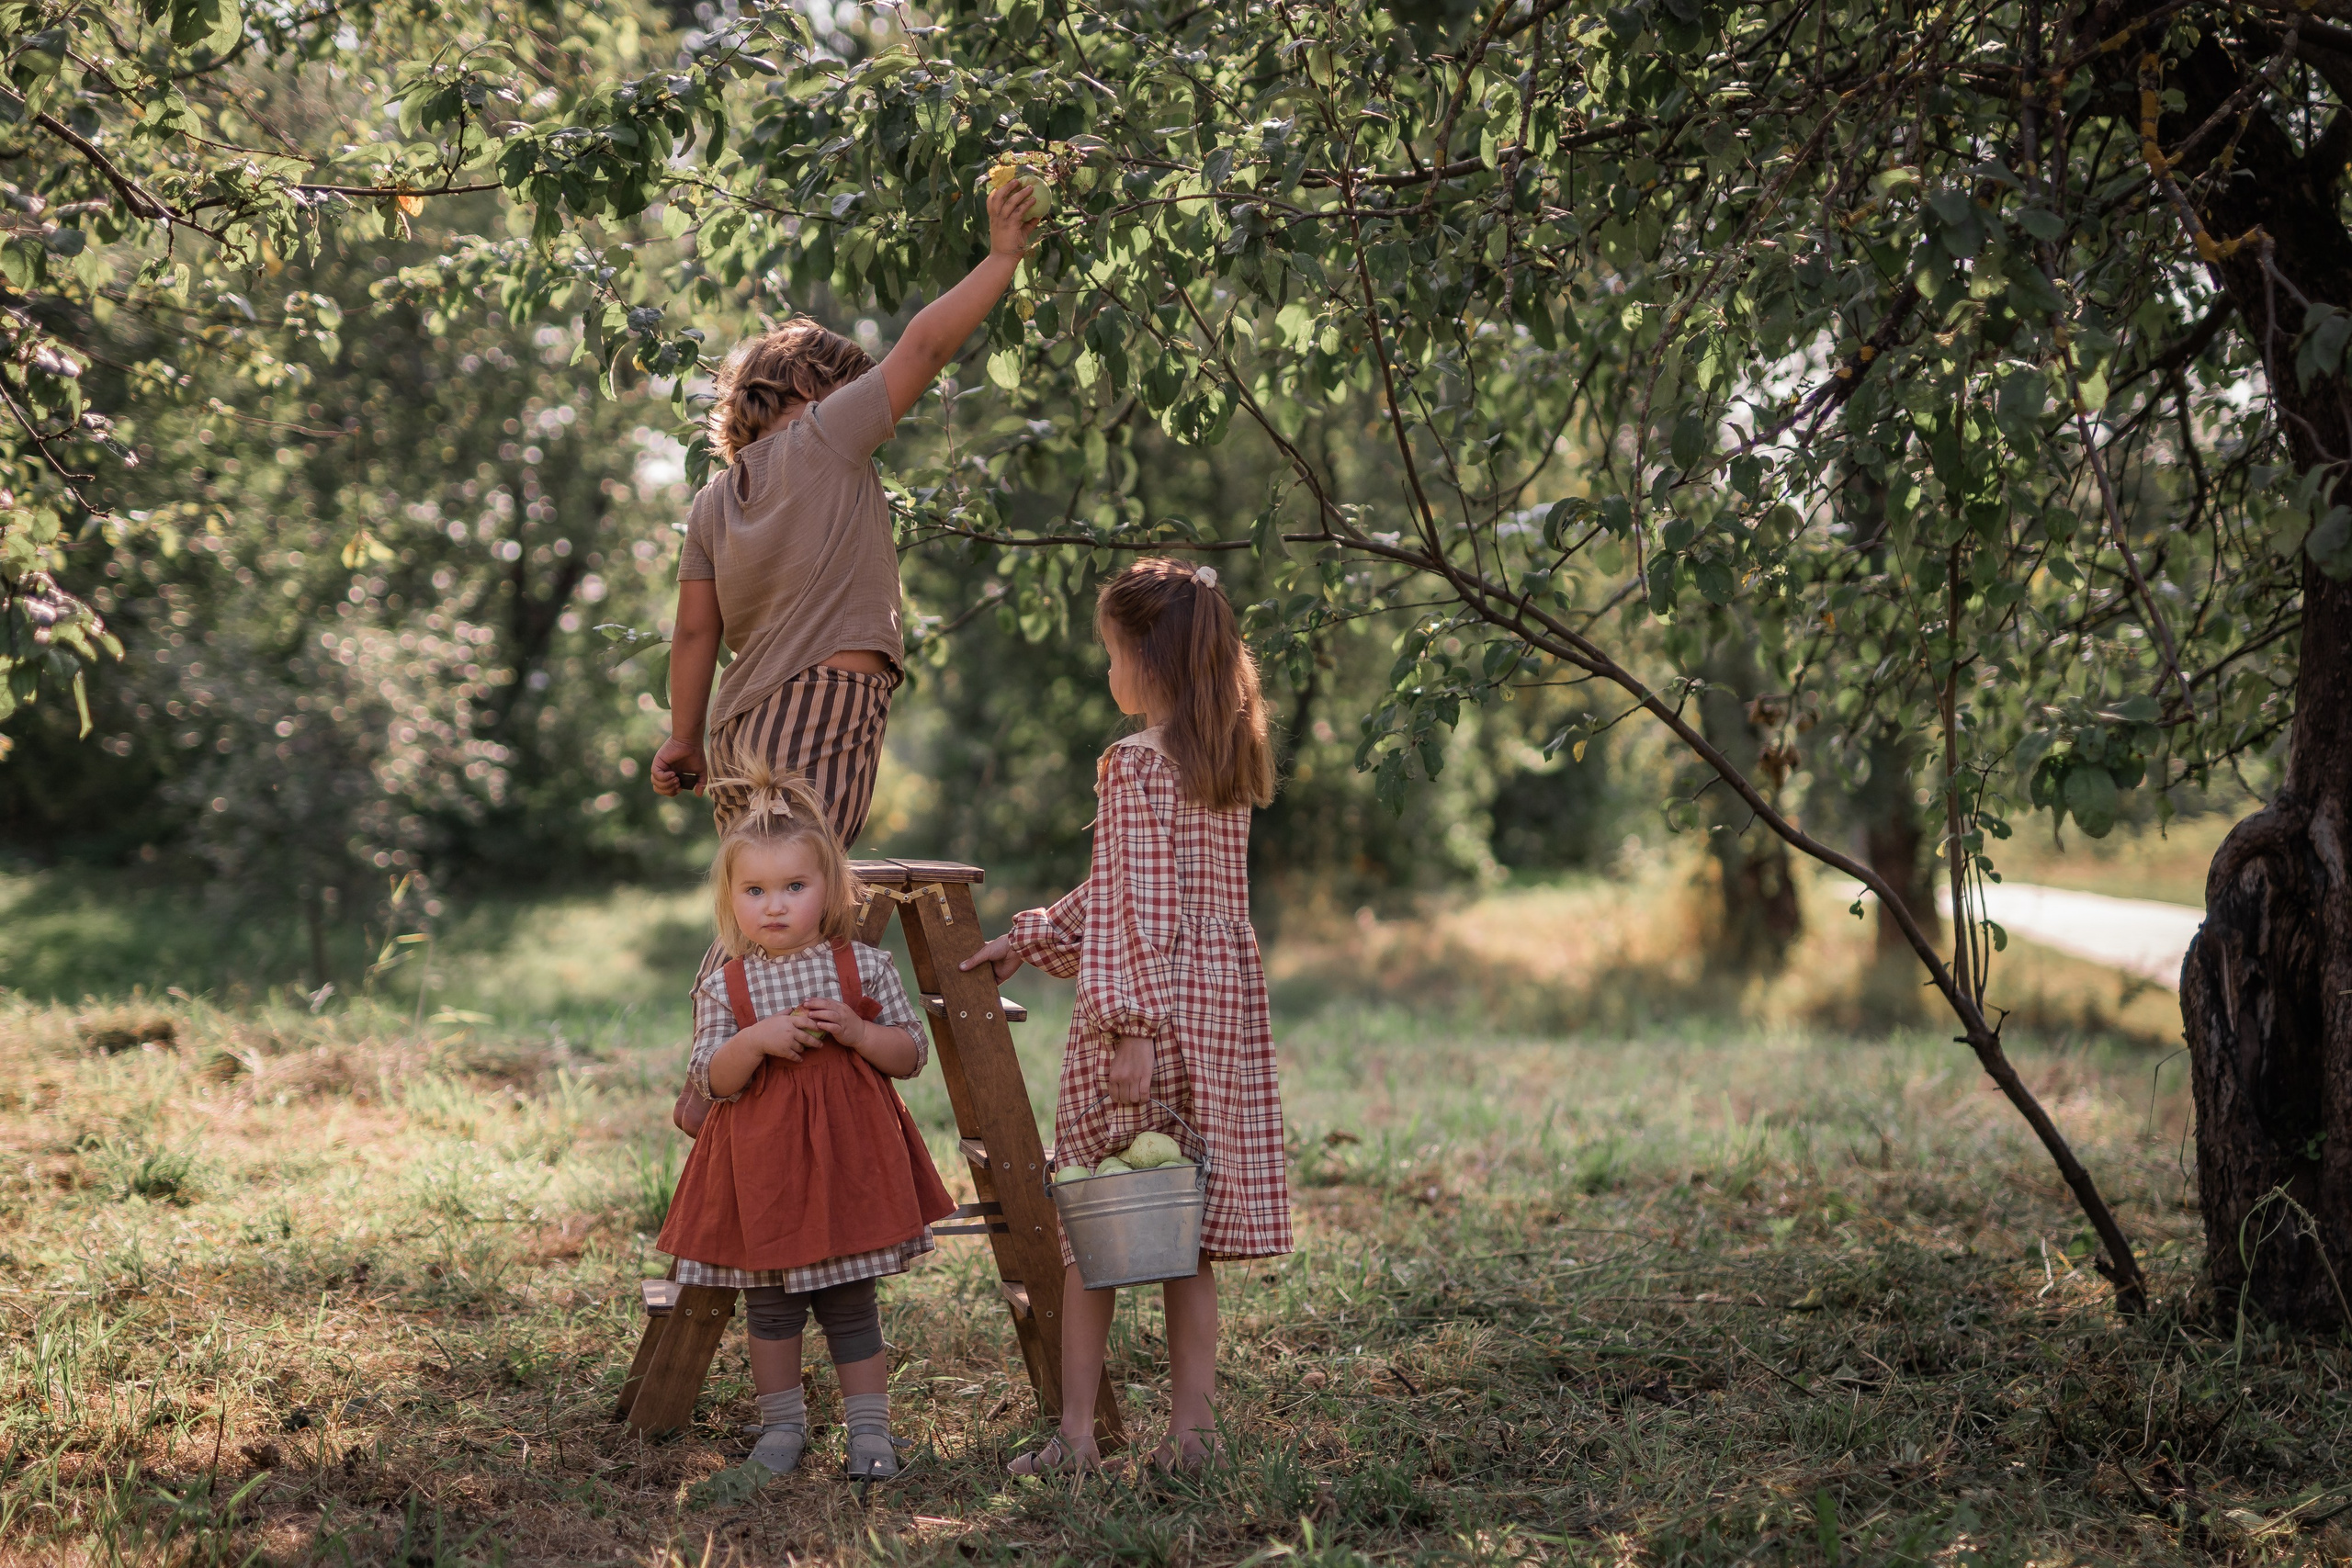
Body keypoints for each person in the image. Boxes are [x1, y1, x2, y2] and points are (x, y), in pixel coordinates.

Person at [959, 558, 1290, 1476]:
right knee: (1183, 1236)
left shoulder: (1132, 765)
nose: (1107, 674)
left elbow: (1138, 909)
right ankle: (1191, 1439)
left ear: (1150, 658)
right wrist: (1030, 936)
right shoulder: (1219, 755)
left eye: (1110, 654)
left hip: (1147, 1018)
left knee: (1092, 1226)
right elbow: (1125, 889)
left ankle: (1074, 1439)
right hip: (1216, 1010)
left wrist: (1129, 1030)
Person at [649, 176, 1044, 850]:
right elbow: (923, 349)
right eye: (855, 387)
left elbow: (693, 636)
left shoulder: (712, 500)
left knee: (765, 903)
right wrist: (1002, 257)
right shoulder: (828, 434)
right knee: (803, 898)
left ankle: (736, 965)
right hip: (819, 708)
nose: (870, 400)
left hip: (737, 730)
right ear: (810, 387)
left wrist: (685, 736)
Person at [654, 765, 956, 1479]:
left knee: (852, 1304)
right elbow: (710, 1077)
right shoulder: (727, 982)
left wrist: (854, 1030)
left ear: (832, 889)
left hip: (848, 1166)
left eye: (794, 886)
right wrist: (754, 1041)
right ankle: (781, 1428)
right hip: (761, 1173)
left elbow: (909, 1054)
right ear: (731, 899)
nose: (776, 905)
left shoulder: (865, 968)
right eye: (755, 891)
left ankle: (870, 1433)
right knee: (771, 1310)